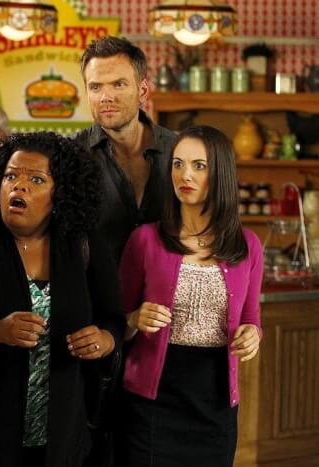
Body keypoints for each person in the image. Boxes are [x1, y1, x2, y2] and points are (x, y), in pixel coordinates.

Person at [0, 132, 124, 467]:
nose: (19, 186)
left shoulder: (84, 246)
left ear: (61, 193)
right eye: (11, 176)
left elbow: (113, 320)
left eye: (36, 179)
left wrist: (103, 340)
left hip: (65, 438)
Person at [118, 125, 263, 467]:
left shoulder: (248, 246)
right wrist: (134, 319)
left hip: (215, 405)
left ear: (221, 173)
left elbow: (251, 319)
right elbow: (115, 323)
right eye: (178, 164)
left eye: (199, 165)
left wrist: (253, 335)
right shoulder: (144, 240)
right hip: (151, 403)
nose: (185, 175)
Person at [75, 36, 176, 262]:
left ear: (143, 91)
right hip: (96, 284)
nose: (106, 97)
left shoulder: (178, 149)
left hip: (166, 283)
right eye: (95, 87)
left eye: (118, 84)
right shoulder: (71, 155)